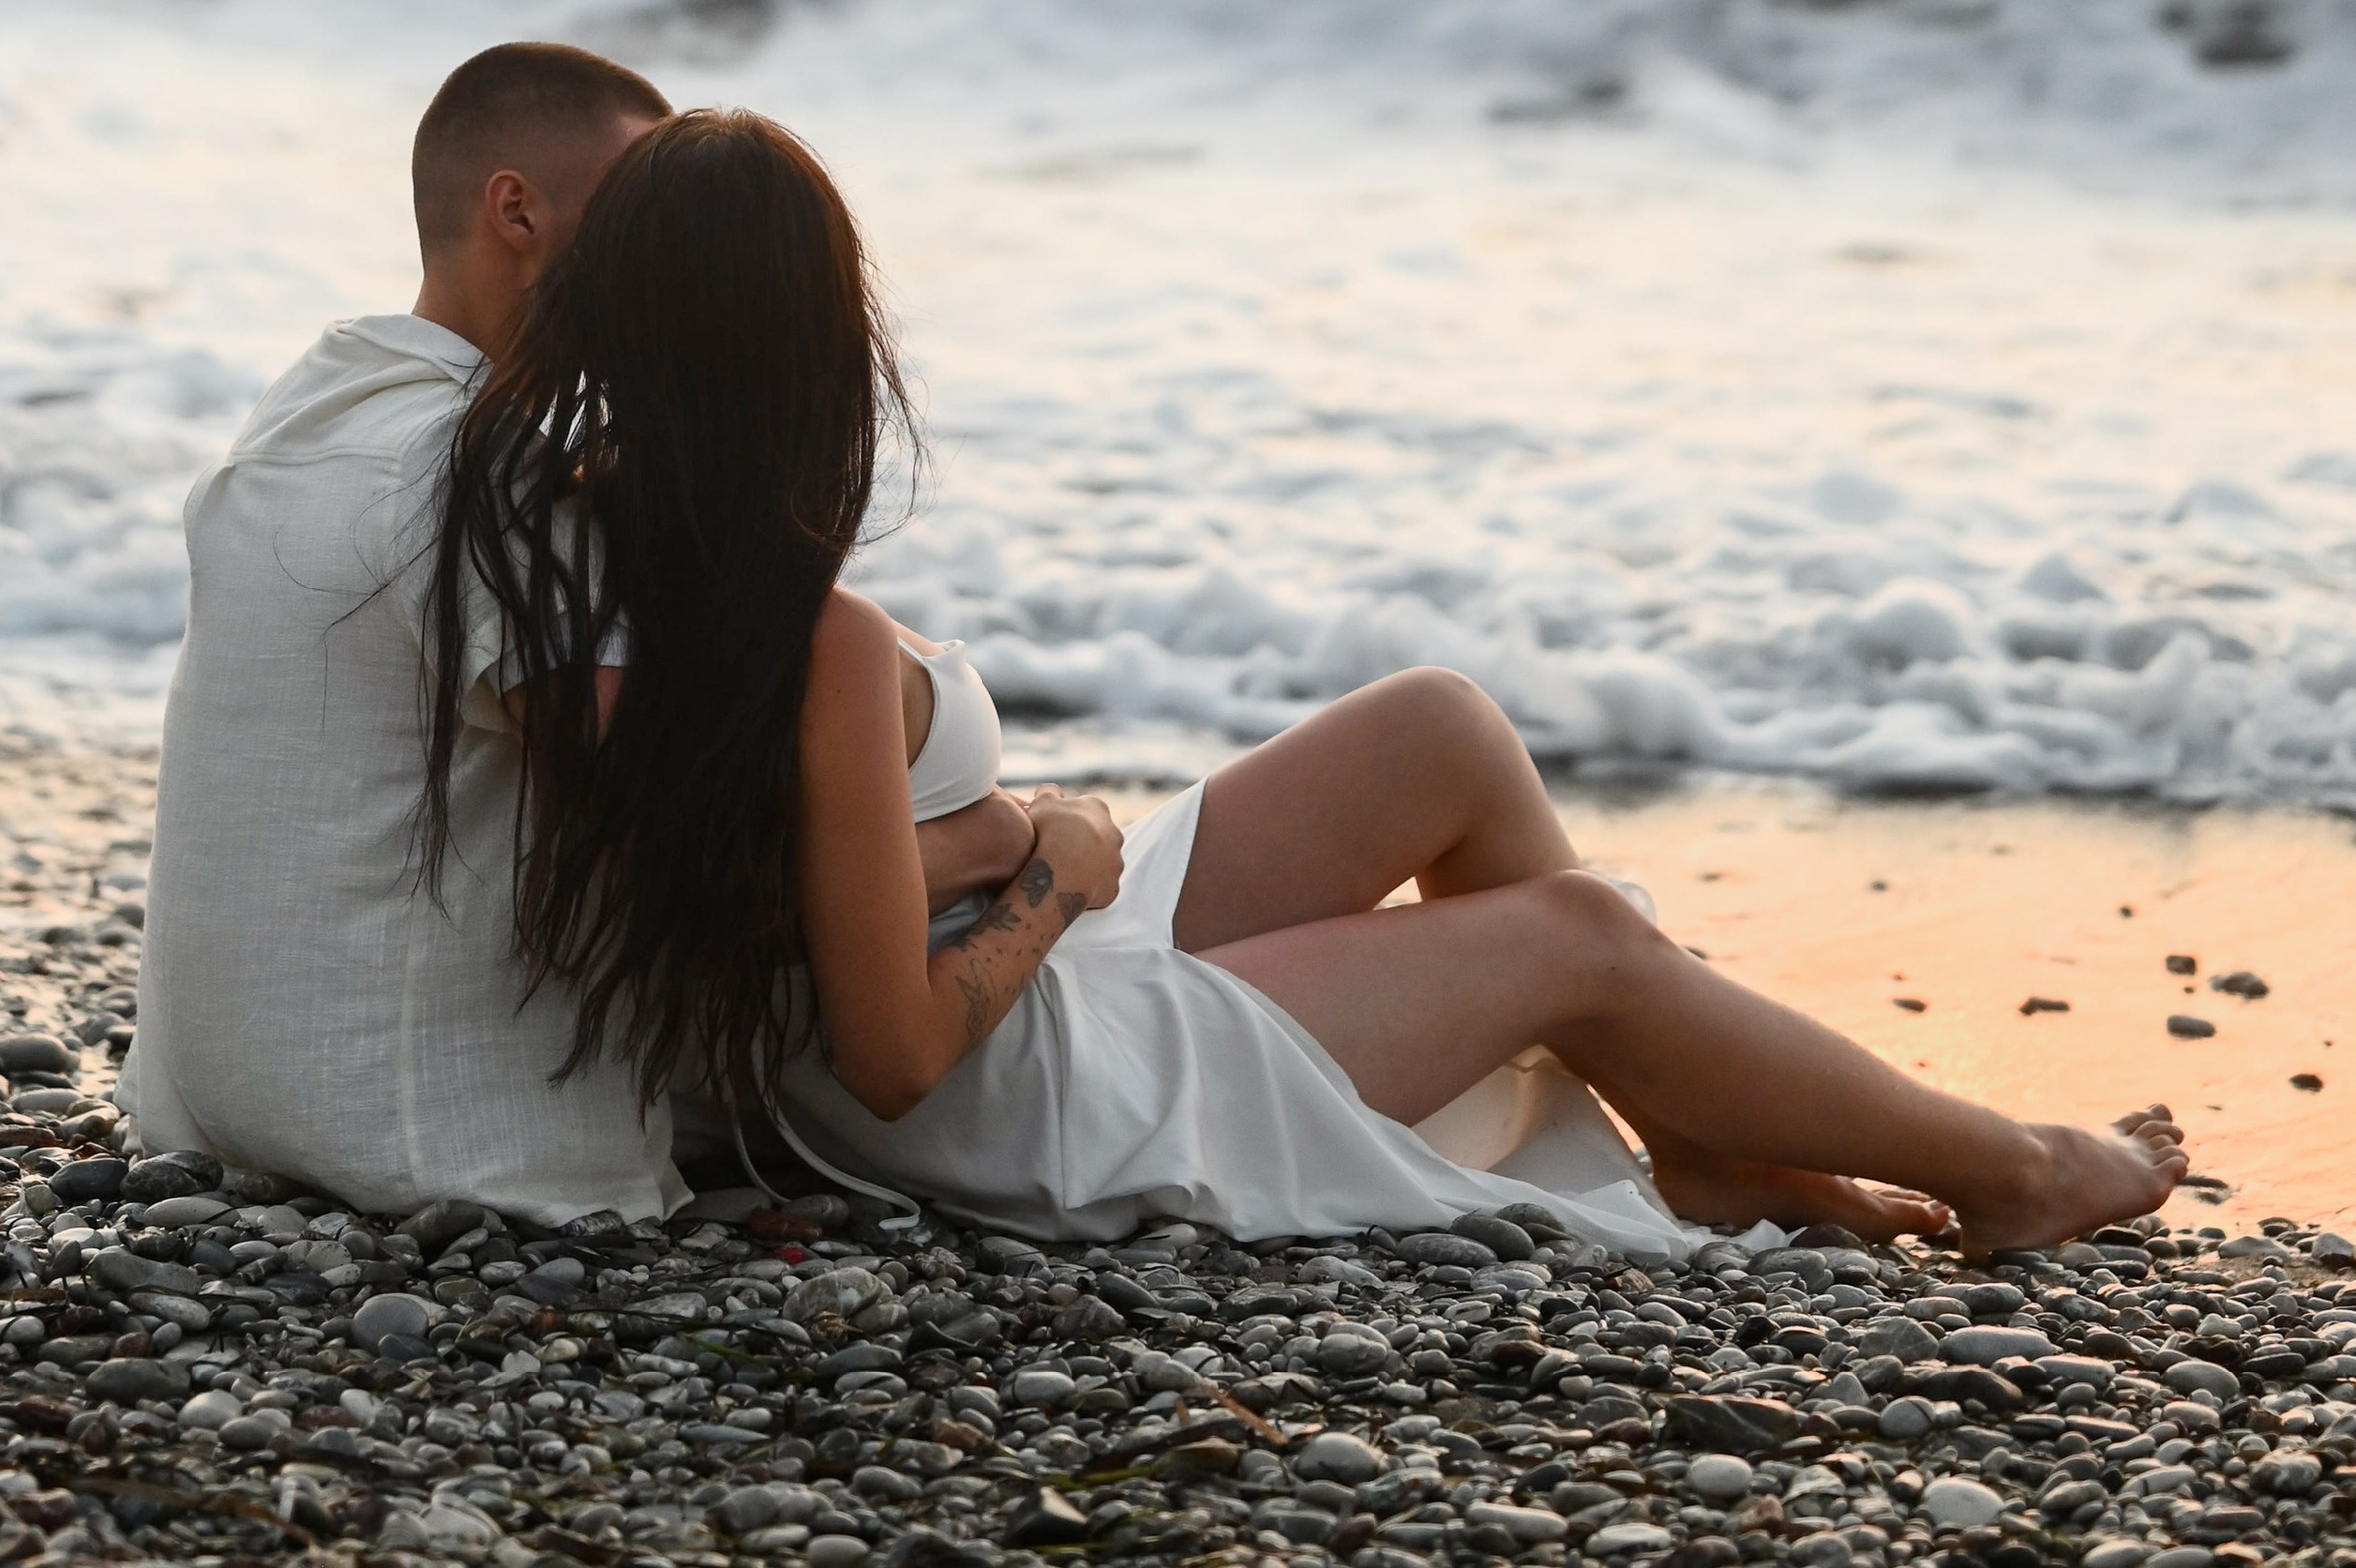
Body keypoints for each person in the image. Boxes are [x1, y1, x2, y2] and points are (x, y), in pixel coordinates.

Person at [420, 103, 2188, 1253]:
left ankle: (1707, 1133)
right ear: (816, 342)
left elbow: (767, 880)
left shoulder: (573, 541)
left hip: (1002, 964)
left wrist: (985, 847)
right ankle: (2014, 1168)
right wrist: (1049, 877)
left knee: (1435, 726)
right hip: (1041, 1086)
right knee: (1584, 939)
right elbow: (890, 1057)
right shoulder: (812, 640)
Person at [123, 41, 681, 1219]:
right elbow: (662, 822)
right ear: (515, 210)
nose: (664, 251)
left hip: (217, 1097)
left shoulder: (301, 418)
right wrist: (1014, 859)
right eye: (639, 211)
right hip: (426, 1134)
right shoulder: (484, 471)